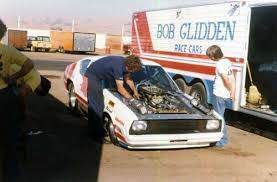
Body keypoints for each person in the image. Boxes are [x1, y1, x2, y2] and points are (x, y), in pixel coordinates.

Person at [0, 19, 34, 181]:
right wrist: (13, 77)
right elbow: (29, 65)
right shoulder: (8, 51)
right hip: (4, 97)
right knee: (9, 140)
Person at [85, 55, 142, 143]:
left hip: (100, 74)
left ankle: (97, 130)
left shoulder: (126, 63)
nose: (131, 72)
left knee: (99, 105)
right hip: (93, 76)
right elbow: (120, 88)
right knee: (97, 106)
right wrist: (132, 100)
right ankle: (95, 135)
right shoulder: (118, 67)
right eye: (131, 70)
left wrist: (135, 92)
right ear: (127, 66)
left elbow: (128, 79)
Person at [206, 45, 235, 148]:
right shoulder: (227, 62)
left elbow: (226, 79)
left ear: (214, 56)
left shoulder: (220, 64)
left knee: (219, 117)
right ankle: (220, 138)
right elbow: (232, 78)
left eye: (210, 56)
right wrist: (232, 91)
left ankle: (222, 141)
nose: (210, 59)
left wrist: (228, 88)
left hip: (219, 94)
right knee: (220, 116)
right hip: (225, 95)